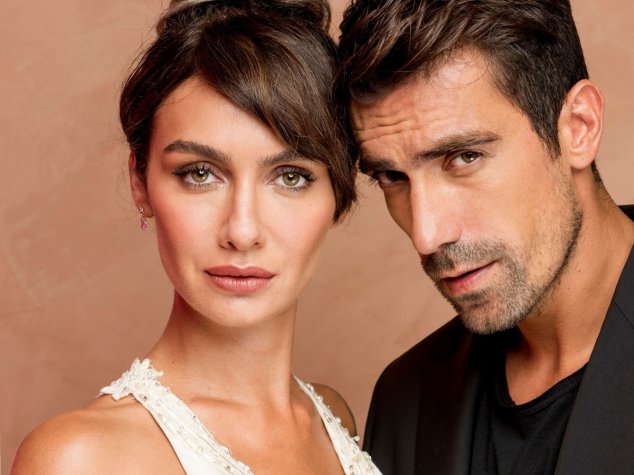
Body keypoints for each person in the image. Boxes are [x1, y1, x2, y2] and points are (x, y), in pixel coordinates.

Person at [336, 0, 634, 473]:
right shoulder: (405, 398)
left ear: (579, 127)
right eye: (392, 177)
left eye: (464, 157)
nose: (427, 234)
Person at [12, 1, 380, 473]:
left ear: (339, 193)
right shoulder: (78, 458)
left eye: (290, 177)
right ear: (140, 182)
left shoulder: (333, 419)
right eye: (200, 174)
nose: (242, 231)